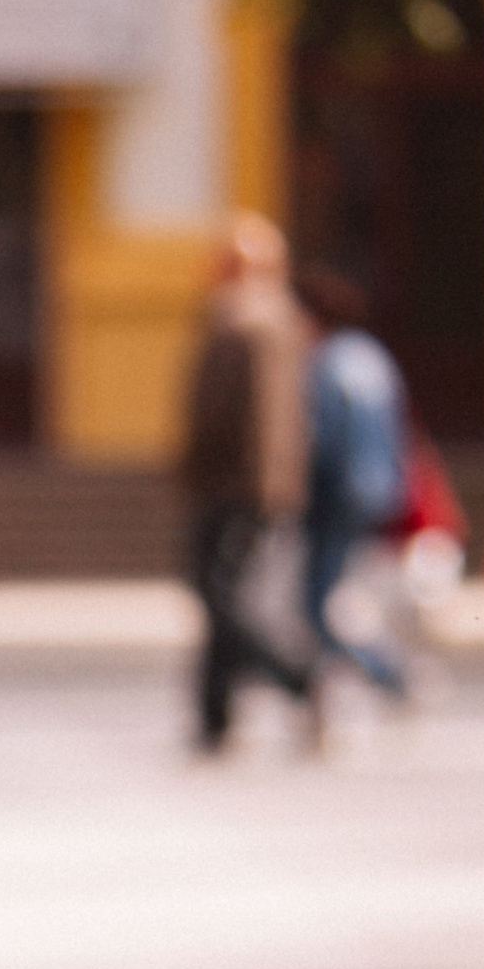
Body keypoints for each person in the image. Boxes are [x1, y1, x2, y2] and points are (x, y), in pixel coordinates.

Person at [181, 210, 315, 755]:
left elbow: (235, 414)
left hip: (235, 481)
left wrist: (203, 467)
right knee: (222, 595)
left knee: (220, 596)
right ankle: (215, 712)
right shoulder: (280, 319)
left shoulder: (242, 319)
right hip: (255, 480)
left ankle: (294, 674)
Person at [296, 262, 414, 715]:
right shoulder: (371, 356)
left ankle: (388, 674)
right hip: (378, 490)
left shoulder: (326, 364)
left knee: (318, 605)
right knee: (338, 597)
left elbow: (322, 441)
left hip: (338, 496)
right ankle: (323, 695)